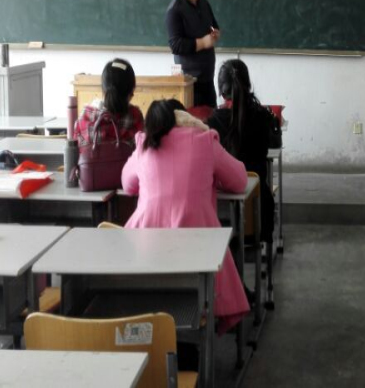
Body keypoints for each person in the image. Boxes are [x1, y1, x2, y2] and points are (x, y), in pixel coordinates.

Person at [121, 99, 249, 334]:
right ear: (186, 118)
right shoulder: (204, 141)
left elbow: (127, 185)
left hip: (144, 255)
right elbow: (240, 181)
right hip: (198, 254)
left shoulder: (145, 143)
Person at [207, 59, 276, 244]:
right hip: (258, 212)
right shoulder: (263, 117)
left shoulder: (212, 123)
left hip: (222, 219)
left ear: (221, 91)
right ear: (248, 85)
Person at [166, 0, 221, 108]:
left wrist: (215, 33)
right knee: (193, 121)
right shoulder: (175, 10)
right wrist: (203, 43)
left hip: (208, 80)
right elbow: (175, 45)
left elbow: (213, 25)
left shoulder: (204, 3)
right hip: (189, 83)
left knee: (211, 119)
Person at [74, 58, 144, 152]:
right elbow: (143, 152)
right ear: (131, 92)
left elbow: (75, 153)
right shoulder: (135, 116)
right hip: (126, 162)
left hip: (92, 162)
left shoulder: (85, 116)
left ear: (103, 88)